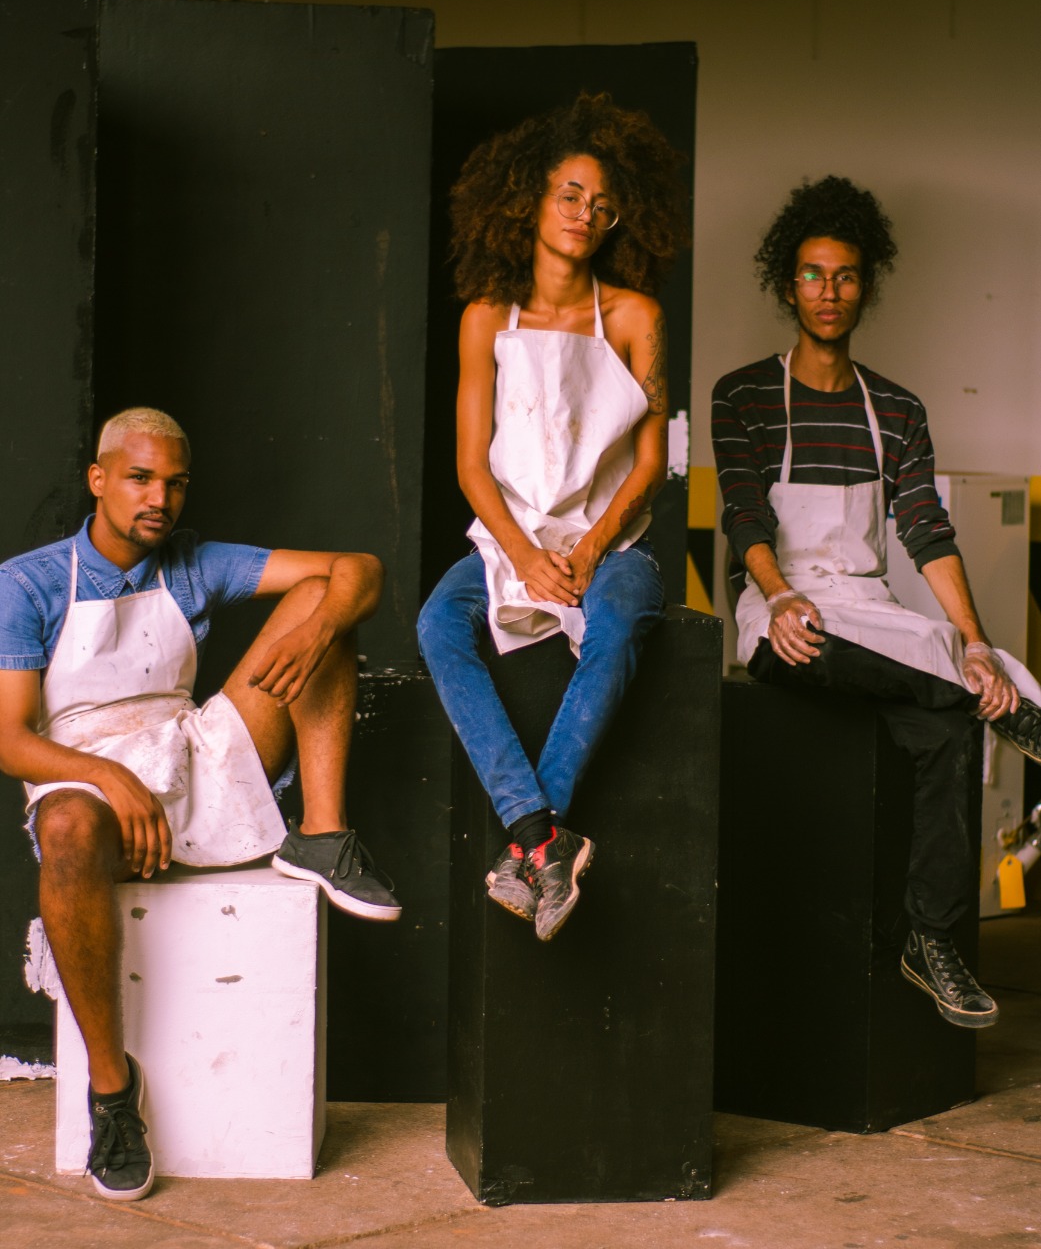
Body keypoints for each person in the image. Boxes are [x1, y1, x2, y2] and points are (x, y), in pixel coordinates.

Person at [0, 407, 399, 1201]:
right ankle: (113, 1093)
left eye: (175, 483)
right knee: (69, 823)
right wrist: (109, 778)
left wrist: (321, 625)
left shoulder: (194, 564)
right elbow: (9, 739)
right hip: (84, 773)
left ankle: (322, 834)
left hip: (192, 755)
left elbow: (359, 566)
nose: (160, 498)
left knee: (324, 599)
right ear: (99, 480)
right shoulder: (29, 583)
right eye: (141, 479)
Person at [712, 175, 1041, 1030]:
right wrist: (778, 597)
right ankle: (1007, 704)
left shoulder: (895, 410)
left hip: (867, 605)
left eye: (846, 276)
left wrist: (972, 642)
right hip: (786, 611)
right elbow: (743, 515)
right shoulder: (743, 395)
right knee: (827, 647)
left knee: (946, 730)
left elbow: (925, 532)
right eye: (812, 275)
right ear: (787, 285)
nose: (828, 292)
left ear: (865, 285)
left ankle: (928, 939)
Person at [418, 92, 688, 943]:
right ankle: (540, 833)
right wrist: (524, 555)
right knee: (437, 624)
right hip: (511, 539)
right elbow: (470, 464)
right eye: (569, 194)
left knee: (621, 619)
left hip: (611, 540)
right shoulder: (483, 320)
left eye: (603, 205)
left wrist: (592, 546)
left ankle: (529, 840)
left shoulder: (637, 317)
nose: (584, 214)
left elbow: (649, 461)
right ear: (527, 199)